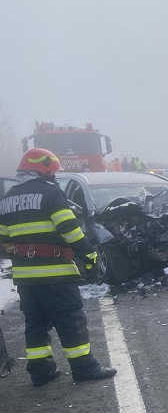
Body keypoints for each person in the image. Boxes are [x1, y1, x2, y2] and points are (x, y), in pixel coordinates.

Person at [0, 149, 116, 386]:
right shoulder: (50, 193)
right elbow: (69, 229)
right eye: (53, 172)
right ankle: (84, 367)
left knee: (35, 323)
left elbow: (3, 239)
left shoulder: (7, 198)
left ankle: (40, 371)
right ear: (44, 170)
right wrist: (88, 254)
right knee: (70, 320)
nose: (54, 176)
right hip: (56, 274)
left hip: (25, 278)